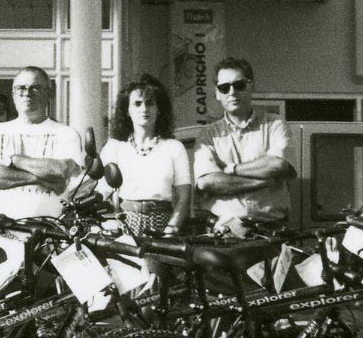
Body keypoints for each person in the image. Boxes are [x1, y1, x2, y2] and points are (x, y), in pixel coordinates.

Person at [193, 59, 294, 234]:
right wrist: (262, 181)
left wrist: (231, 169)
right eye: (224, 88)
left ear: (251, 86)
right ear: (217, 93)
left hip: (272, 231)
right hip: (224, 232)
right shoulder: (207, 135)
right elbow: (207, 182)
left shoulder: (275, 124)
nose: (232, 92)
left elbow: (277, 165)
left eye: (239, 85)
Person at [0, 67, 83, 220]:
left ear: (48, 94)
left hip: (52, 229)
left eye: (35, 88)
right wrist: (40, 179)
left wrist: (14, 160)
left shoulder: (66, 133)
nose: (27, 93)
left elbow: (61, 169)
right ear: (14, 94)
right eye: (21, 88)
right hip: (1, 227)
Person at [99, 77, 193, 238]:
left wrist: (171, 228)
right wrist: (108, 222)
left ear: (159, 108)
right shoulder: (114, 147)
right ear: (127, 110)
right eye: (137, 103)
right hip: (124, 223)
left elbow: (184, 197)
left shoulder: (174, 148)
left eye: (150, 103)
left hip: (163, 224)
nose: (144, 109)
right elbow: (103, 193)